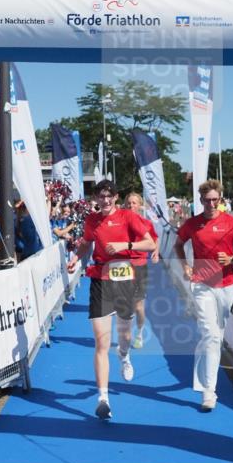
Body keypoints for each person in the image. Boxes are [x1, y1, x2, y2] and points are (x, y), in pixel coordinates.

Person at [66, 180, 155, 420]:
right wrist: (76, 258)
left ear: (115, 197)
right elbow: (86, 242)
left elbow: (150, 243)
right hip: (100, 279)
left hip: (125, 278)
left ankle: (124, 356)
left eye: (108, 196)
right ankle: (103, 398)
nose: (104, 200)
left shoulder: (128, 217)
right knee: (101, 342)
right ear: (95, 198)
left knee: (123, 336)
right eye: (100, 196)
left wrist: (125, 245)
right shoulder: (92, 220)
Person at [174, 179, 233, 412]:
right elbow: (178, 245)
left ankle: (204, 365)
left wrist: (231, 259)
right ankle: (209, 392)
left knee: (218, 333)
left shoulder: (231, 222)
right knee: (211, 335)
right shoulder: (192, 224)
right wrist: (186, 266)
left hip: (226, 284)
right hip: (201, 283)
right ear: (201, 200)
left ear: (221, 199)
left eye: (215, 199)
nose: (211, 203)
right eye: (207, 200)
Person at [123, 192, 160, 349]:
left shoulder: (146, 223)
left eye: (134, 203)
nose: (131, 206)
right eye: (129, 203)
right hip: (122, 266)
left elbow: (155, 238)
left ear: (140, 205)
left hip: (139, 266)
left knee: (138, 307)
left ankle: (139, 333)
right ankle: (126, 334)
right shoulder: (120, 223)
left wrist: (156, 252)